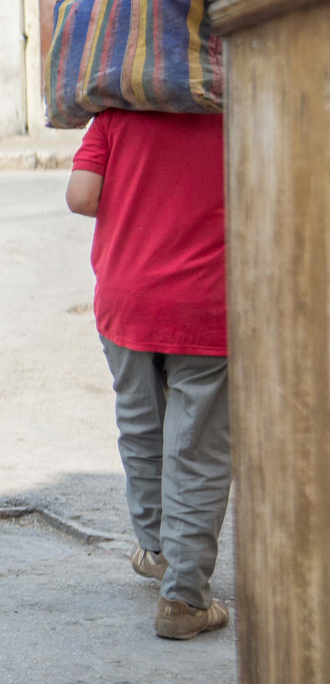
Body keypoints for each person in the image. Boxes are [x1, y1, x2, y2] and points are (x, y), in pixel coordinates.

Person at [65, 108, 230, 641]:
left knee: (141, 423)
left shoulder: (115, 113)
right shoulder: (238, 108)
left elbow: (81, 196)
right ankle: (184, 598)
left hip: (126, 298)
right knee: (197, 446)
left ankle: (156, 549)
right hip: (208, 303)